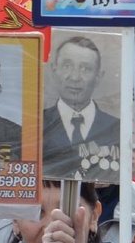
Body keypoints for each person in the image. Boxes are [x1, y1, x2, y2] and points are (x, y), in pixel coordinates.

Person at [43, 37, 121, 179]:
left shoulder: (117, 130)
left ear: (98, 77)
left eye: (86, 69)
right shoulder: (35, 125)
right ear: (54, 71)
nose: (75, 77)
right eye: (67, 66)